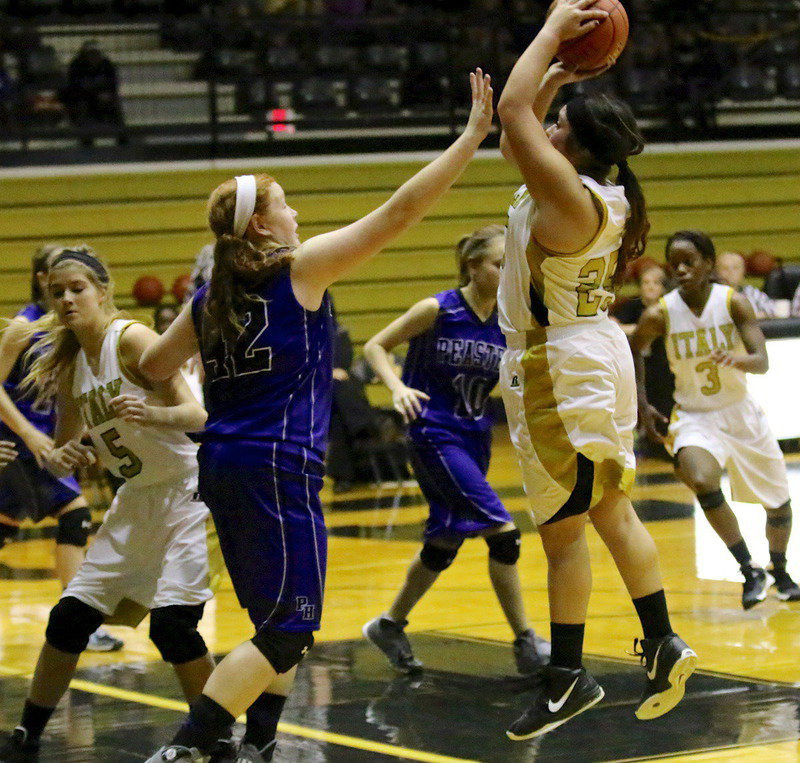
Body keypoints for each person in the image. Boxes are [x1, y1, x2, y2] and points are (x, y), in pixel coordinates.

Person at [137, 69, 494, 763]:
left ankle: (262, 742)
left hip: (223, 462)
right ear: (263, 224)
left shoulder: (210, 294)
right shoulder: (295, 268)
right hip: (277, 465)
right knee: (289, 628)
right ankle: (189, 747)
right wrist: (470, 137)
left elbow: (152, 365)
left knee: (277, 619)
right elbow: (399, 212)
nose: (297, 214)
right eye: (287, 204)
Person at [495, 0, 696, 739]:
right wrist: (565, 70)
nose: (545, 127)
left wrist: (551, 27)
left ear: (572, 150)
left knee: (564, 531)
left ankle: (567, 677)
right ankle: (662, 636)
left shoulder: (566, 197)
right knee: (611, 506)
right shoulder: (588, 190)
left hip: (558, 366)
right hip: (592, 354)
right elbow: (524, 119)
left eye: (558, 129)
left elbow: (513, 111)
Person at [0, 247, 216, 763]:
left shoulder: (132, 339)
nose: (68, 299)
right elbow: (59, 460)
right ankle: (28, 732)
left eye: (78, 288)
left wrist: (150, 413)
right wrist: (64, 454)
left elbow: (199, 415)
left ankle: (218, 734)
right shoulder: (71, 364)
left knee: (174, 628)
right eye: (57, 293)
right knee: (69, 620)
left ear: (102, 291)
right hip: (137, 498)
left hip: (189, 491)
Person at [361, 224, 550, 676]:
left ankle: (389, 625)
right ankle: (526, 640)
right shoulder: (437, 309)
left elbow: (506, 384)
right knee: (503, 534)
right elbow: (375, 346)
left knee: (444, 543)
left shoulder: (509, 321)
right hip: (433, 433)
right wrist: (398, 388)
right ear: (472, 266)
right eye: (499, 265)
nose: (507, 275)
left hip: (474, 436)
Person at [631, 230, 800, 610]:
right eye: (675, 263)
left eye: (690, 261)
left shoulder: (733, 303)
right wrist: (642, 404)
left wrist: (739, 360)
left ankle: (781, 570)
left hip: (741, 412)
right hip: (694, 415)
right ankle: (748, 568)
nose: (682, 269)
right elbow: (635, 348)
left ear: (708, 263)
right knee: (701, 477)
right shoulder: (661, 312)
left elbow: (762, 362)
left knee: (779, 506)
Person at [0, 243, 123, 653]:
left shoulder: (70, 331)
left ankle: (77, 622)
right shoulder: (24, 328)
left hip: (48, 445)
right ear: (42, 281)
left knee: (6, 525)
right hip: (22, 443)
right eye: (58, 284)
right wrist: (31, 434)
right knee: (75, 517)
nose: (68, 293)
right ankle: (80, 624)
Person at [612, 264, 674, 458]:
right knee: (639, 400)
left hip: (664, 366)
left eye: (656, 283)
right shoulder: (632, 306)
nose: (650, 287)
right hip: (638, 365)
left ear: (664, 287)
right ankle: (643, 440)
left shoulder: (670, 307)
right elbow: (614, 325)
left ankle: (665, 440)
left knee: (665, 401)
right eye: (646, 282)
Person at [715, 250, 775, 319]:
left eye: (736, 268)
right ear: (716, 272)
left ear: (743, 272)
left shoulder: (751, 292)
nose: (731, 272)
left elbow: (772, 309)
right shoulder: (711, 294)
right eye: (725, 268)